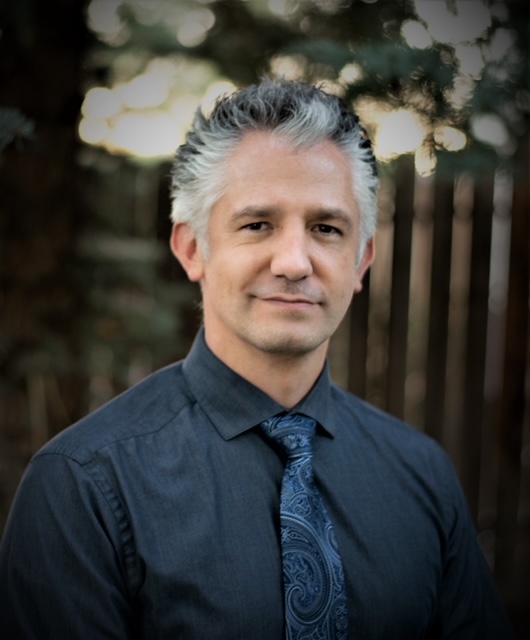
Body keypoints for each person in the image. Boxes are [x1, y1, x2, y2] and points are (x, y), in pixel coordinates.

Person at [0, 79, 513, 639]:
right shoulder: (83, 487)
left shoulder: (422, 477)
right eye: (257, 225)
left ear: (361, 261)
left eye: (325, 228)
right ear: (192, 248)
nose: (294, 262)